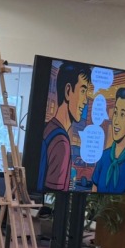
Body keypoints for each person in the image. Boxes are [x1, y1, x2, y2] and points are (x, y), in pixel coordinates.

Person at [38, 62, 91, 191]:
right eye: (83, 90)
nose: (85, 100)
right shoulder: (61, 142)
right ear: (68, 91)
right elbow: (56, 194)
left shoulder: (48, 128)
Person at [91, 87, 125, 193]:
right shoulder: (103, 156)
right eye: (115, 113)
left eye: (122, 114)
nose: (116, 121)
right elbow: (93, 192)